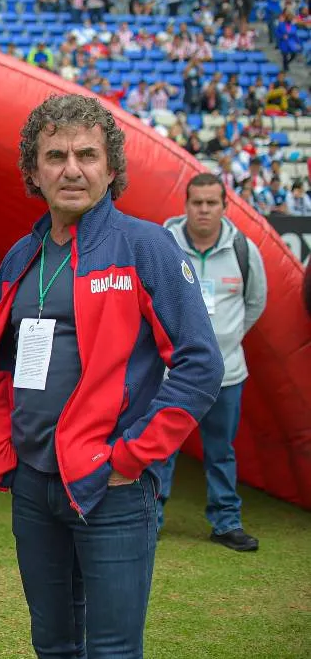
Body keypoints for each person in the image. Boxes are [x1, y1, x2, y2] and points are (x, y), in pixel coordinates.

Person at [0, 93, 224, 658]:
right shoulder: (18, 258)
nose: (71, 169)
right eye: (55, 156)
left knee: (112, 650)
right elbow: (3, 369)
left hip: (113, 491)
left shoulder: (145, 246)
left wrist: (131, 457)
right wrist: (6, 449)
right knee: (52, 645)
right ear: (34, 169)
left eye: (87, 155)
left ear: (111, 168)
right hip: (33, 485)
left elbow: (200, 364)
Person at [156, 173, 267, 551]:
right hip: (173, 374)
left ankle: (226, 523)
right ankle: (151, 518)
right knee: (160, 447)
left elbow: (254, 304)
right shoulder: (163, 244)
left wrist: (226, 341)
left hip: (227, 375)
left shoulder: (243, 250)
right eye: (197, 202)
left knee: (221, 451)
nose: (203, 209)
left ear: (224, 206)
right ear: (185, 205)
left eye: (211, 203)